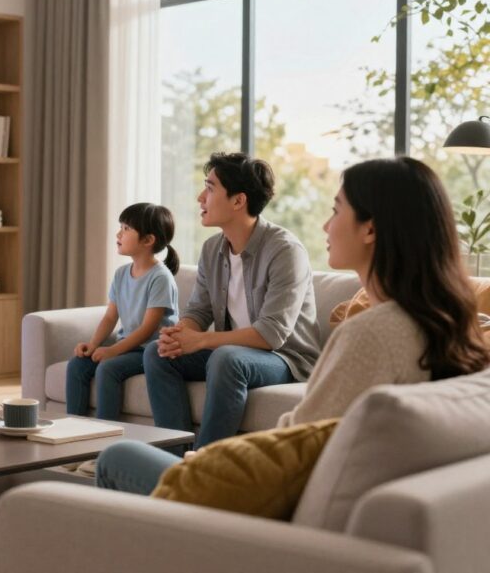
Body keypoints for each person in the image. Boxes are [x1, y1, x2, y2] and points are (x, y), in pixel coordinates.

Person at [96, 156, 490, 495]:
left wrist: (213, 467)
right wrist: (182, 334)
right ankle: (179, 454)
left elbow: (292, 447)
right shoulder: (448, 327)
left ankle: (189, 471)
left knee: (116, 457)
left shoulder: (370, 332)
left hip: (270, 407)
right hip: (277, 482)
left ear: (370, 229)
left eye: (336, 210)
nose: (324, 226)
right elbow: (302, 439)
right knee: (162, 354)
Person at [145, 152, 322, 449]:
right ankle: (174, 461)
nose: (201, 197)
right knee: (157, 353)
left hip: (286, 359)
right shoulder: (212, 248)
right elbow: (198, 310)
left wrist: (199, 341)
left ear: (238, 201)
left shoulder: (284, 250)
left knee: (226, 358)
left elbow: (271, 334)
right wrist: (180, 335)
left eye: (210, 188)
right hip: (235, 352)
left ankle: (207, 464)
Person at [65, 203, 181, 420]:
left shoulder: (160, 278)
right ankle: (74, 428)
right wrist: (94, 344)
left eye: (126, 228)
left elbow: (148, 329)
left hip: (151, 352)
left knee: (109, 368)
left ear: (148, 240)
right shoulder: (121, 274)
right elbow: (110, 317)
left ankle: (104, 434)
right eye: (121, 227)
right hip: (128, 346)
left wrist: (113, 351)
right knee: (77, 365)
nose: (119, 233)